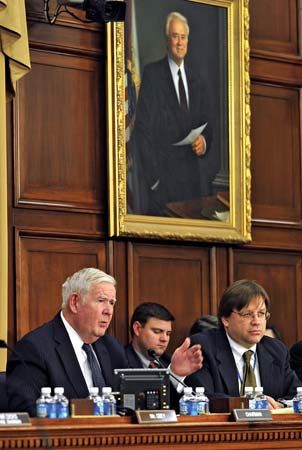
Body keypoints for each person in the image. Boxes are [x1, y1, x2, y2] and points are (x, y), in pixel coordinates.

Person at [6, 268, 203, 416]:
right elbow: (28, 414)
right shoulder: (35, 348)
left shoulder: (111, 347)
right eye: (101, 301)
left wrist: (174, 374)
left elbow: (139, 403)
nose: (108, 310)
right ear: (75, 302)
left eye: (112, 303)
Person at [130, 11, 212, 216]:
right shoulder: (152, 75)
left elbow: (208, 122)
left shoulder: (197, 78)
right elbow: (141, 130)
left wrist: (204, 141)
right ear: (167, 40)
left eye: (183, 37)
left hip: (193, 180)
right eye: (175, 36)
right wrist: (154, 180)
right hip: (163, 181)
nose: (179, 42)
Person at [186, 279, 301, 409]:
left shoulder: (276, 350)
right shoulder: (203, 347)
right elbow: (204, 397)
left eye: (261, 314)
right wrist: (250, 404)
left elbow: (297, 394)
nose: (256, 321)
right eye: (248, 314)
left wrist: (278, 405)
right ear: (225, 319)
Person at [125, 302, 174, 369]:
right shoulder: (120, 362)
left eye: (168, 334)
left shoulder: (171, 363)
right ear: (137, 329)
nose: (164, 339)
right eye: (157, 331)